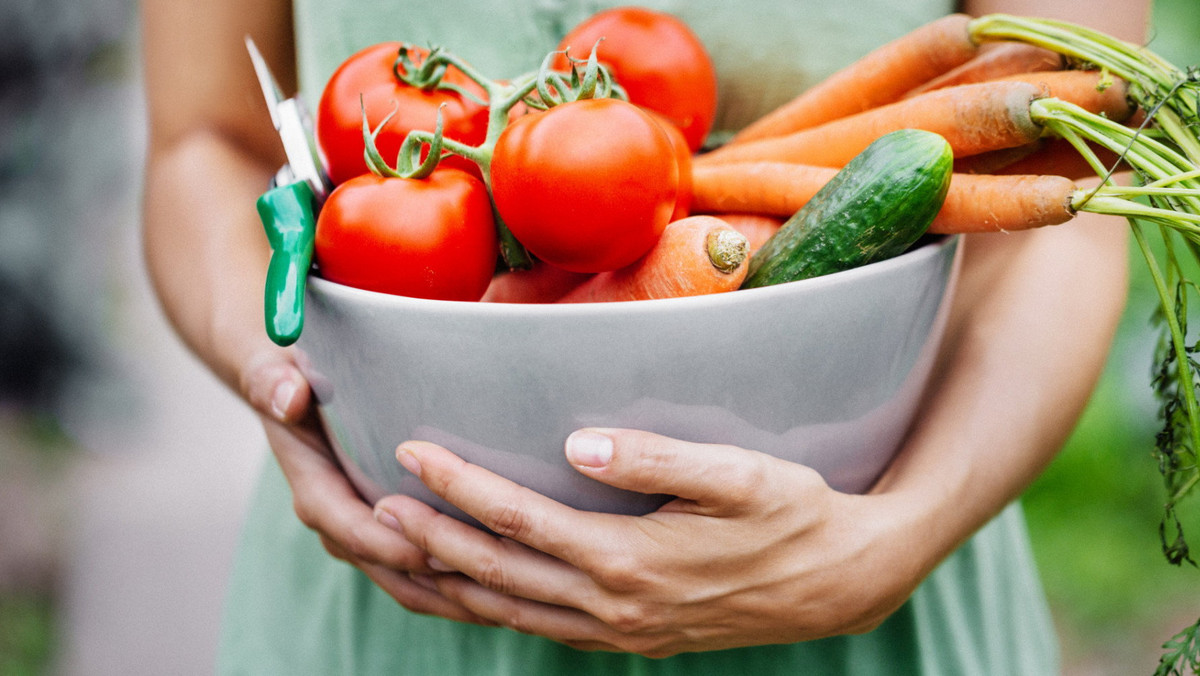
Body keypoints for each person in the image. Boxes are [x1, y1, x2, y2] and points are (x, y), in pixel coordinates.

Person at [139, 0, 1149, 672]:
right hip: (400, 573)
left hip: (862, 591)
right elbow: (203, 143)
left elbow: (1069, 209)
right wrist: (276, 374)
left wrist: (901, 535)